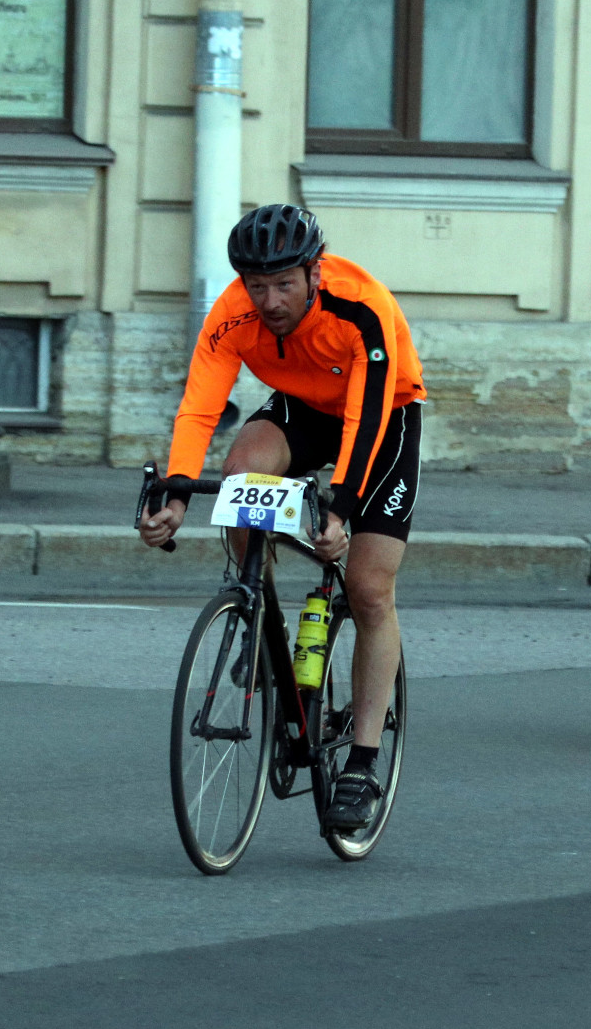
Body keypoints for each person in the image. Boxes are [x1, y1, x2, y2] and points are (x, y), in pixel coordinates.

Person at [138, 204, 423, 833]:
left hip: (382, 415)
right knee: (242, 471)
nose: (269, 301)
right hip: (301, 404)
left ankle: (363, 763)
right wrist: (177, 495)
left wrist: (343, 506)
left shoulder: (361, 305)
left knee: (370, 587)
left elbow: (368, 418)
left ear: (314, 273)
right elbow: (198, 409)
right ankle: (253, 607)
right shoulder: (233, 313)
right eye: (256, 285)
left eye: (284, 285)